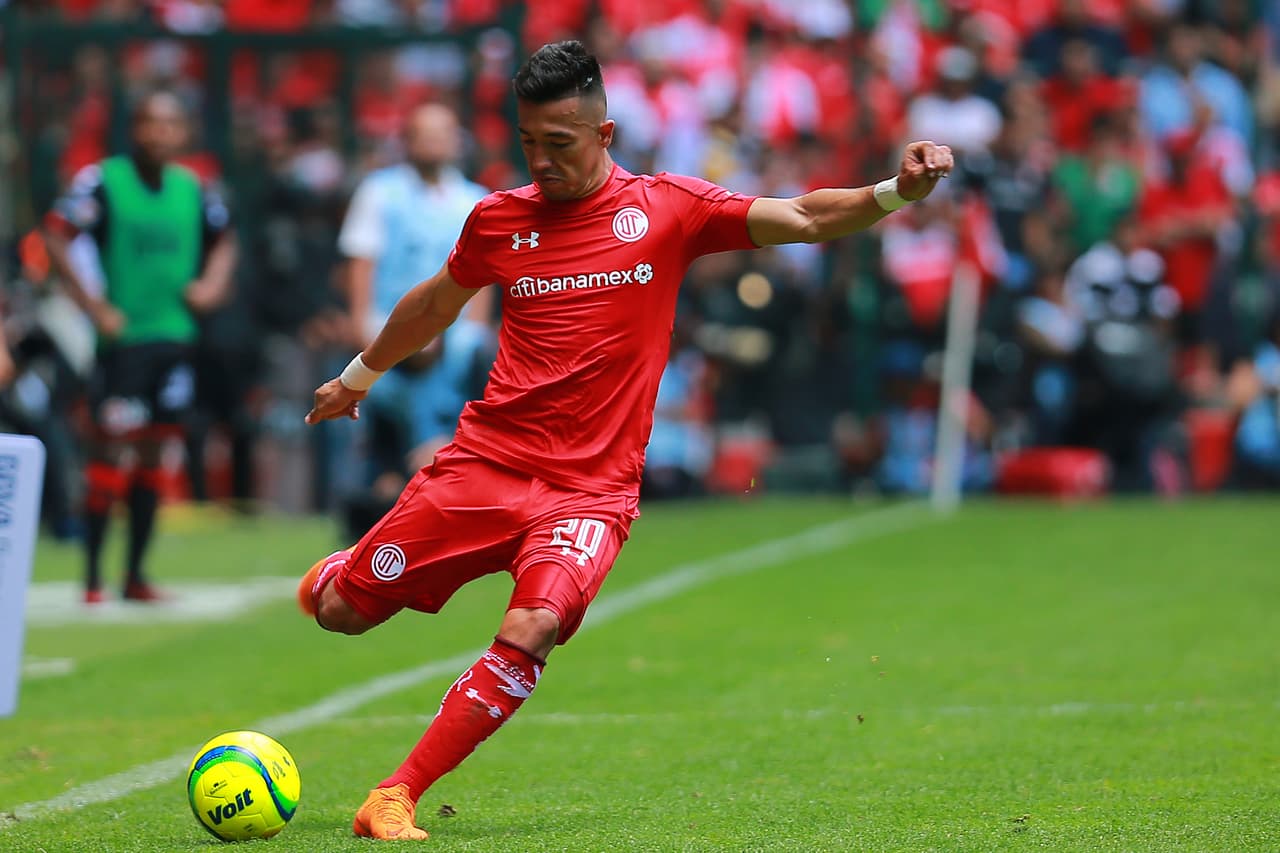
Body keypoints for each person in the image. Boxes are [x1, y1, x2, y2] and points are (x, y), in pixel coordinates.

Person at [299, 40, 952, 841]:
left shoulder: (668, 208)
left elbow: (808, 217)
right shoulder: (499, 219)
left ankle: (395, 792)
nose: (540, 161)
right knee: (340, 612)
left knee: (532, 625)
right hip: (488, 462)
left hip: (591, 491)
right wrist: (357, 378)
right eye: (528, 143)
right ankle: (341, 571)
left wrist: (896, 191)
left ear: (604, 134)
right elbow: (435, 304)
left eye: (559, 145)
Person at [43, 89, 236, 603]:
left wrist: (212, 286)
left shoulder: (194, 188)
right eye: (149, 123)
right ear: (135, 130)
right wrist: (93, 305)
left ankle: (135, 576)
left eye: (169, 124)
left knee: (154, 451)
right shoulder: (104, 181)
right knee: (108, 450)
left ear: (183, 133)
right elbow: (56, 234)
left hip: (175, 340)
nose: (158, 133)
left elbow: (226, 239)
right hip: (123, 341)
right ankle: (90, 578)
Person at [336, 103, 494, 532]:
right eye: (424, 133)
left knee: (465, 370)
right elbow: (362, 260)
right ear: (407, 141)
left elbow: (483, 274)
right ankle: (381, 486)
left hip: (450, 333)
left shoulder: (473, 199)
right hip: (391, 328)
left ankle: (440, 477)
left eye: (442, 133)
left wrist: (472, 331)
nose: (434, 142)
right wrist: (360, 324)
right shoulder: (379, 192)